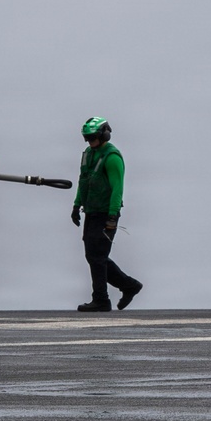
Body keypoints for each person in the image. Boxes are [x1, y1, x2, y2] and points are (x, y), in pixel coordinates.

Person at [71, 117, 143, 313]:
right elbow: (83, 180)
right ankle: (129, 286)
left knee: (98, 256)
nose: (89, 141)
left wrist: (112, 216)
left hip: (105, 213)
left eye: (93, 137)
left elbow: (117, 188)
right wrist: (77, 205)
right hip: (91, 212)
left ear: (104, 135)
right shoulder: (88, 154)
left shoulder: (112, 157)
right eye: (87, 138)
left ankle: (101, 299)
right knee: (94, 256)